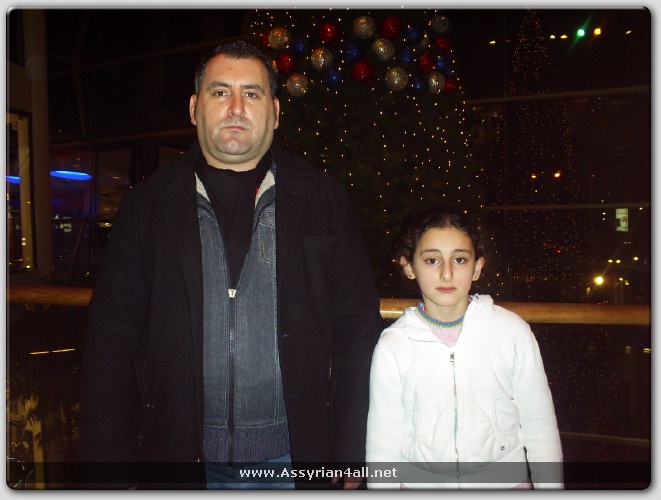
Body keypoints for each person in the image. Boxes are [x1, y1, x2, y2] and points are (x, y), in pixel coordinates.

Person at [79, 40, 383, 490]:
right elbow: (111, 339)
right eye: (220, 92)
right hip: (177, 459)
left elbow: (358, 329)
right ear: (194, 108)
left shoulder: (325, 200)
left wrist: (352, 450)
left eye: (252, 93)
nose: (236, 107)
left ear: (275, 112)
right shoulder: (146, 205)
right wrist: (109, 467)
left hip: (298, 458)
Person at [366, 206, 563, 489]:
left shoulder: (511, 333)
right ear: (408, 266)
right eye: (432, 260)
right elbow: (383, 438)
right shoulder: (394, 345)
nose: (446, 274)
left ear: (477, 266)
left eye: (459, 260)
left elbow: (539, 425)